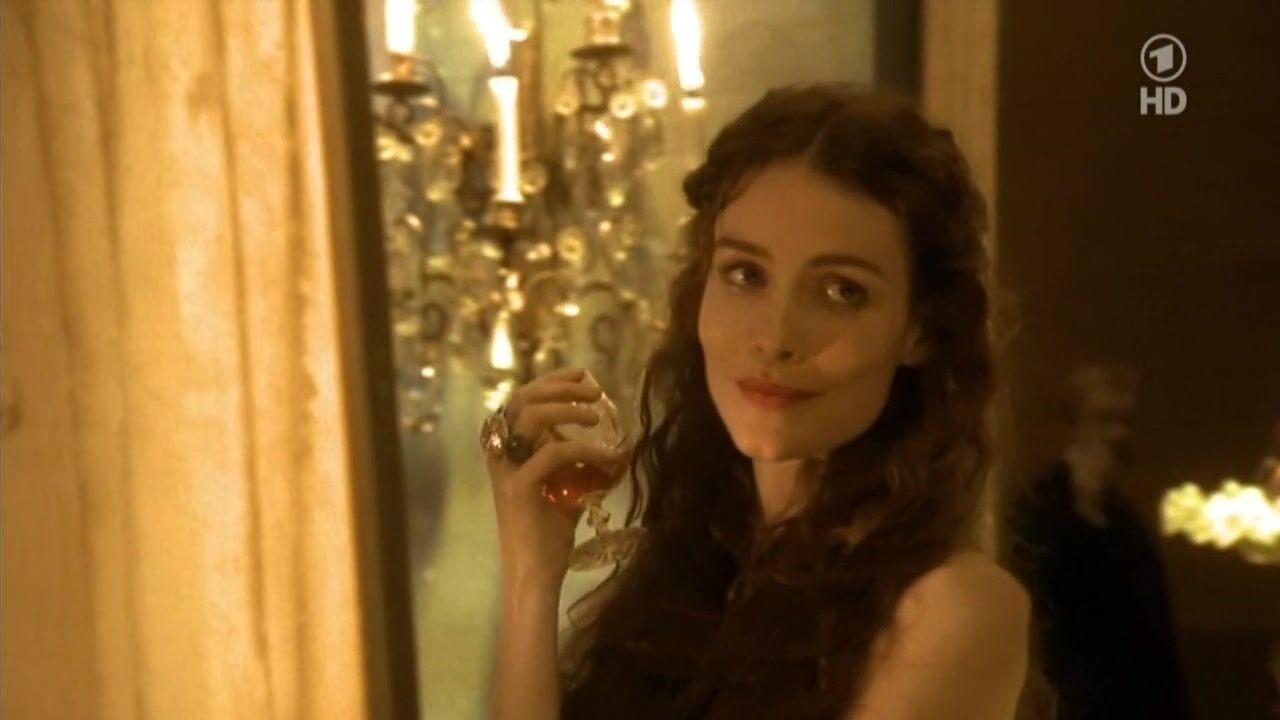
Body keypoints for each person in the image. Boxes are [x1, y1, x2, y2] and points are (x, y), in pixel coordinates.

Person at [482, 83, 1040, 719]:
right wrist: (531, 574)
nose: (775, 338)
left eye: (842, 291)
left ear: (918, 329)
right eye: (746, 274)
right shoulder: (686, 575)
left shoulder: (951, 608)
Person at [1008, 364, 1191, 719]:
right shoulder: (1038, 512)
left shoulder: (1127, 524)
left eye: (1125, 420)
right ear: (1073, 425)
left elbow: (1157, 639)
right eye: (1104, 419)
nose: (1118, 434)